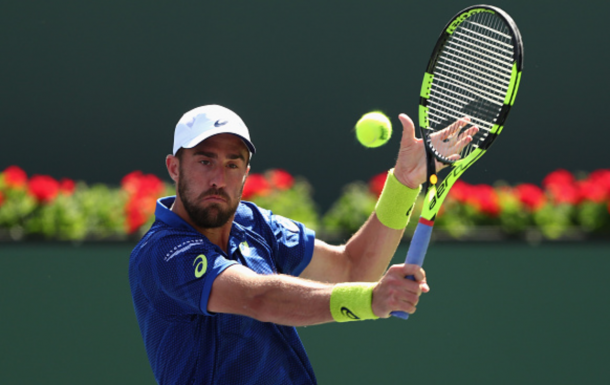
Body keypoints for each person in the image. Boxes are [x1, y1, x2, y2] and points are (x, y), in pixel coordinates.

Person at [129, 104, 471, 384]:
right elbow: (258, 298)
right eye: (205, 161)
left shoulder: (254, 223)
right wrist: (371, 300)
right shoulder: (163, 253)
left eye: (233, 164)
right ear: (174, 168)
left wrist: (405, 183)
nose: (219, 178)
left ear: (246, 173)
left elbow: (353, 269)